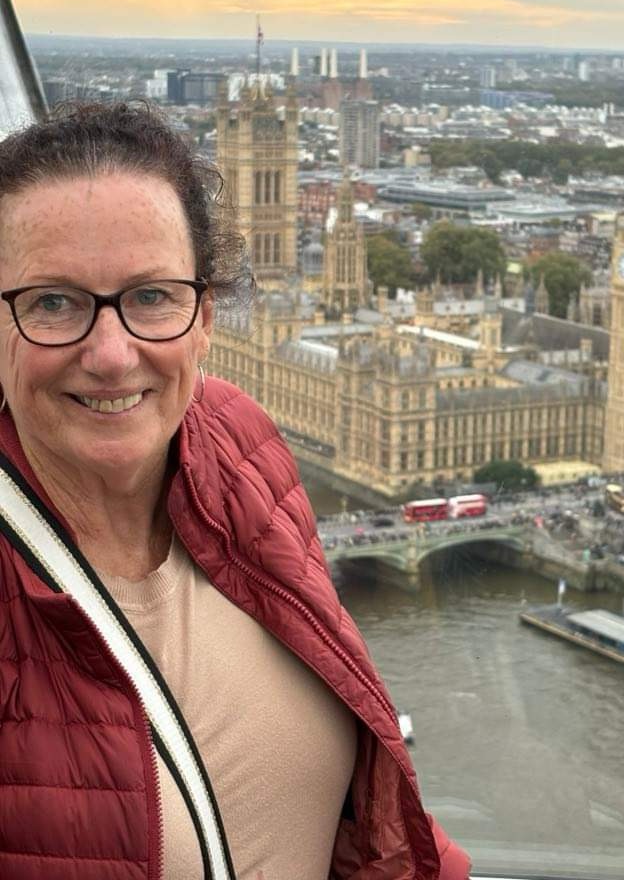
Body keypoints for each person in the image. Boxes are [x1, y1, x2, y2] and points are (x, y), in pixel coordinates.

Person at [0, 102, 470, 880]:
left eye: (152, 296)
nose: (112, 354)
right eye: (53, 302)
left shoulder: (243, 444)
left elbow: (375, 811)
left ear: (205, 317)